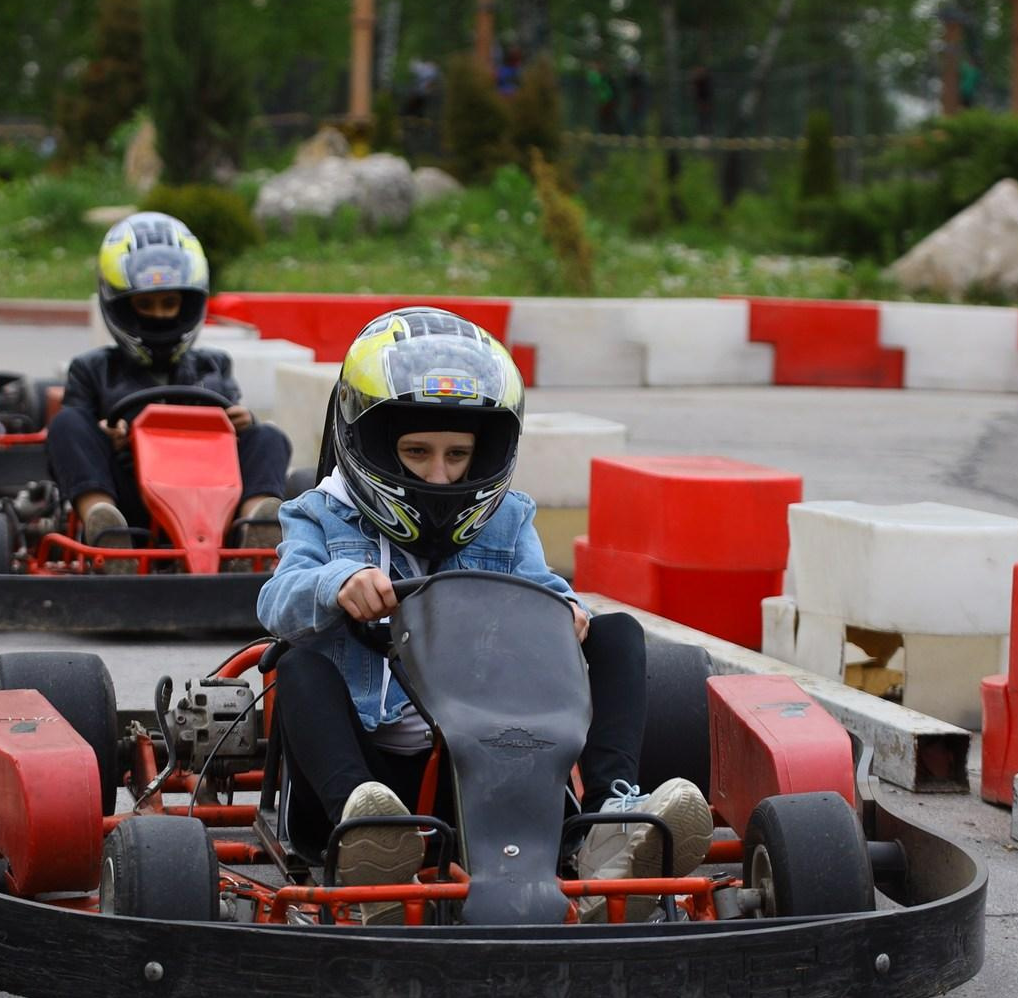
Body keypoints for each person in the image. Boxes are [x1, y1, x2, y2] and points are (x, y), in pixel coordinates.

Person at [256, 307, 711, 912]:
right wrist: (336, 584)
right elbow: (275, 602)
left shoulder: (506, 518)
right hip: (366, 774)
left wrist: (564, 613)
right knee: (299, 664)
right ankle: (365, 843)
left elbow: (540, 586)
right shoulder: (321, 513)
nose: (438, 473)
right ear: (369, 442)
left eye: (456, 454)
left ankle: (607, 822)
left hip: (488, 768)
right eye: (416, 452)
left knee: (616, 632)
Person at [48, 211, 290, 548]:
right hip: (131, 501)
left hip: (210, 493)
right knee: (67, 423)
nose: (160, 315)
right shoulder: (92, 370)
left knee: (268, 436)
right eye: (146, 304)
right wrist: (106, 436)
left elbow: (242, 442)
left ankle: (254, 528)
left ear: (187, 303)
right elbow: (77, 441)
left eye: (169, 303)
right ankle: (102, 525)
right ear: (122, 306)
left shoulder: (213, 366)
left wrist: (242, 423)